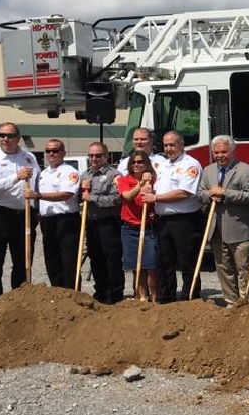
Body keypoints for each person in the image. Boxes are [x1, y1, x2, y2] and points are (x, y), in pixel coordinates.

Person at [0, 122, 40, 304]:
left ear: (18, 138)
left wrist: (36, 207)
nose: (6, 139)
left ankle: (18, 299)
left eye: (10, 136)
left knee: (23, 258)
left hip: (23, 214)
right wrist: (16, 177)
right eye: (2, 135)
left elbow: (36, 182)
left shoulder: (28, 157)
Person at [141, 130, 203, 302]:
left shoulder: (191, 165)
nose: (168, 149)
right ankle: (166, 297)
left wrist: (156, 197)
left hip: (184, 221)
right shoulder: (164, 165)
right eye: (166, 145)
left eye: (172, 145)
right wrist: (150, 190)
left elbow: (184, 193)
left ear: (181, 145)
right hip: (163, 220)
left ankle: (190, 297)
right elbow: (161, 188)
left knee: (187, 262)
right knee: (164, 261)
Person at [197, 135, 249, 306]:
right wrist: (210, 194)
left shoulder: (246, 170)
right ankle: (231, 301)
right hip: (216, 229)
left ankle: (247, 302)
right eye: (216, 152)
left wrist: (225, 193)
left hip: (239, 229)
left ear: (232, 151)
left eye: (223, 152)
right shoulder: (208, 171)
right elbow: (200, 194)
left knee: (243, 269)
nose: (219, 155)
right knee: (224, 269)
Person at [27, 139, 80, 289]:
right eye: (48, 151)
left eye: (55, 150)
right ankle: (57, 293)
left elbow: (66, 194)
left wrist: (38, 195)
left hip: (66, 220)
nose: (51, 154)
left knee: (68, 260)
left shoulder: (69, 172)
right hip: (47, 221)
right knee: (52, 259)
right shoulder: (43, 174)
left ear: (63, 153)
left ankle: (72, 295)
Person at [80, 142, 123, 304]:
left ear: (106, 156)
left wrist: (91, 197)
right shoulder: (85, 175)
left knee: (111, 259)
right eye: (91, 155)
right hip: (91, 223)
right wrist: (82, 192)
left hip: (109, 223)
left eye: (98, 155)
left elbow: (116, 199)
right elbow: (80, 199)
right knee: (95, 258)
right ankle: (101, 292)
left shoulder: (114, 175)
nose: (94, 158)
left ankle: (115, 294)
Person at [118, 151, 159, 301]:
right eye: (134, 162)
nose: (137, 164)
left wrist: (150, 187)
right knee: (137, 266)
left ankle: (154, 298)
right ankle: (141, 297)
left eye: (140, 162)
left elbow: (158, 200)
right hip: (129, 228)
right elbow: (127, 197)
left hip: (148, 227)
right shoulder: (124, 180)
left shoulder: (155, 180)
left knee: (151, 265)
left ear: (146, 163)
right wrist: (140, 184)